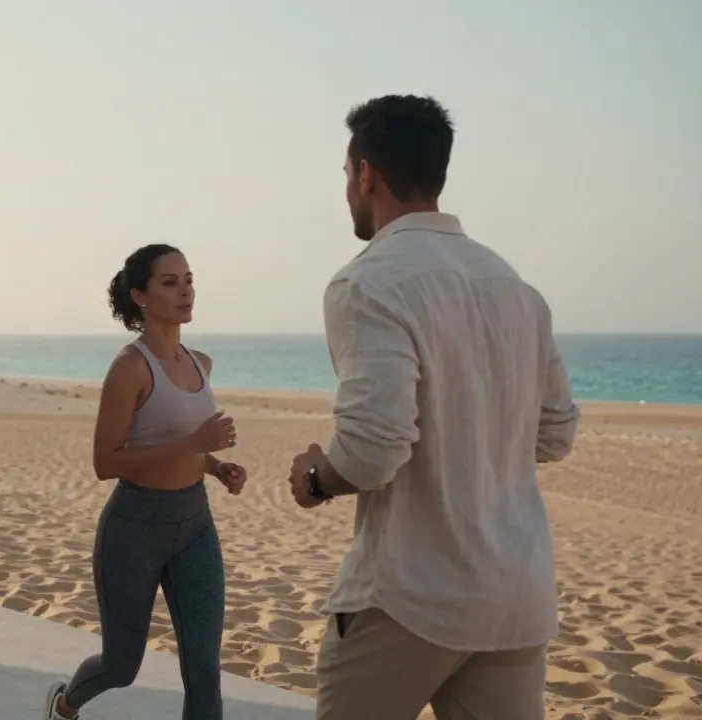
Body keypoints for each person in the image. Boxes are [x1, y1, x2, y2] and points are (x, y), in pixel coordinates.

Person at [286, 94, 580, 720]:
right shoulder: (515, 286)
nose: (346, 191)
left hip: (408, 597)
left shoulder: (366, 281)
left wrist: (315, 476)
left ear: (366, 173)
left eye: (346, 175)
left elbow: (374, 450)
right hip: (514, 598)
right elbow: (554, 434)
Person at [43, 243, 248, 720]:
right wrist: (195, 441)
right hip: (134, 528)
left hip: (195, 524)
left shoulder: (201, 362)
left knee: (204, 669)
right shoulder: (129, 368)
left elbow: (182, 442)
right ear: (139, 296)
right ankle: (65, 704)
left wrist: (216, 467)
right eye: (170, 282)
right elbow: (105, 461)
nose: (186, 292)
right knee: (121, 666)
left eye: (189, 280)